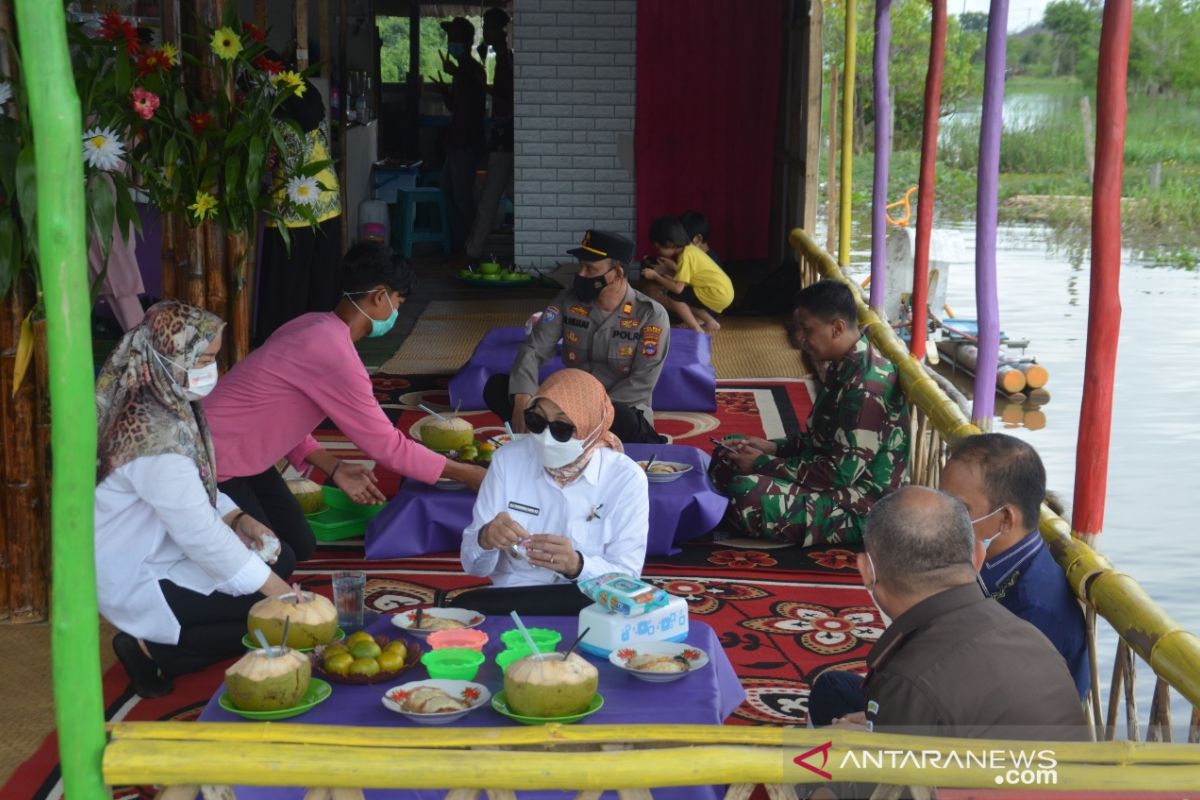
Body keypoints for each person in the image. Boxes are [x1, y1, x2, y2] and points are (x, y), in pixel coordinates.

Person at [204, 242, 486, 558]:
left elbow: (278, 413)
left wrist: (334, 466)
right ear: (380, 297)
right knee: (273, 562)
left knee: (299, 544)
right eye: (398, 302)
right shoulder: (335, 354)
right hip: (211, 461)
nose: (396, 312)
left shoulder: (310, 323)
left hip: (244, 457)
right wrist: (468, 474)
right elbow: (388, 447)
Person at [95, 301, 293, 698]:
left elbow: (192, 486)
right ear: (168, 352)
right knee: (269, 612)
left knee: (280, 558)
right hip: (137, 570)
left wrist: (238, 518)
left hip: (165, 542)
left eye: (213, 358)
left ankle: (164, 649)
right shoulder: (151, 436)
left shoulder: (158, 392)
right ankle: (151, 644)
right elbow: (198, 533)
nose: (209, 369)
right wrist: (281, 595)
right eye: (202, 357)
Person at [817, 487, 1088, 742]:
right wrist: (878, 725)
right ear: (977, 557)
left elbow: (890, 785)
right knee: (834, 689)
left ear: (866, 571)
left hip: (978, 785)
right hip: (1056, 781)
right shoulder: (1030, 635)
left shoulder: (908, 675)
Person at [709, 280, 909, 545]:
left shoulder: (866, 389)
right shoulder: (844, 366)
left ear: (837, 328)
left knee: (745, 492)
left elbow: (837, 474)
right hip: (829, 479)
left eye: (806, 329)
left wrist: (761, 463)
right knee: (729, 451)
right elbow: (820, 442)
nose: (800, 338)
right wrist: (771, 447)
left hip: (860, 505)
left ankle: (733, 515)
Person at [456, 370, 649, 615]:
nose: (546, 437)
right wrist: (485, 538)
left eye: (562, 428)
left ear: (591, 426)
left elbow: (629, 580)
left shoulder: (625, 479)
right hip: (514, 599)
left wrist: (577, 565)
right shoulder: (508, 460)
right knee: (463, 608)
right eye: (536, 422)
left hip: (587, 601)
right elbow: (474, 567)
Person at [483, 230, 670, 444]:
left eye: (590, 269)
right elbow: (534, 349)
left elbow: (642, 381)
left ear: (617, 273)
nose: (581, 274)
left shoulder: (650, 314)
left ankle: (561, 435)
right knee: (499, 386)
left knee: (625, 418)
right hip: (567, 405)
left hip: (617, 409)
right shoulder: (567, 301)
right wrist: (522, 396)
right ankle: (554, 435)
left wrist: (586, 413)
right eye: (580, 265)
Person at [940, 433, 1090, 698]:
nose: (943, 518)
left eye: (959, 509)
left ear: (1006, 519)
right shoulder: (990, 562)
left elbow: (1001, 710)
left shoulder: (1036, 608)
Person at [255, 64, 343, 345]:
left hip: (290, 208)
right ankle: (321, 345)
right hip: (326, 200)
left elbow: (263, 161)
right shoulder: (311, 102)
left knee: (286, 291)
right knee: (321, 286)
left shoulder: (273, 110)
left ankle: (284, 349)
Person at [464, 7, 513, 262]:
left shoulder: (506, 60)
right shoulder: (503, 58)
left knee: (489, 198)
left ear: (498, 30)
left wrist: (486, 89)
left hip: (505, 138)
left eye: (488, 27)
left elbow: (510, 97)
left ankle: (472, 251)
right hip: (506, 135)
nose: (486, 32)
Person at [437, 16, 487, 253]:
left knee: (462, 199)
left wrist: (456, 73)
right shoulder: (462, 72)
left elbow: (474, 102)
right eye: (449, 39)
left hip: (466, 143)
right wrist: (445, 91)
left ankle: (471, 245)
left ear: (465, 41)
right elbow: (457, 107)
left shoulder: (473, 70)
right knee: (447, 191)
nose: (450, 43)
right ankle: (458, 244)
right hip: (456, 143)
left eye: (453, 38)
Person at [641, 216, 734, 334]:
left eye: (658, 248)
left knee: (673, 296)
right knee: (685, 297)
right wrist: (665, 271)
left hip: (715, 293)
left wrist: (655, 276)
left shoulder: (685, 257)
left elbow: (677, 288)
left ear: (669, 243)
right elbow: (684, 279)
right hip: (724, 291)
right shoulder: (690, 250)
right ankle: (710, 321)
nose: (658, 251)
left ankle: (697, 329)